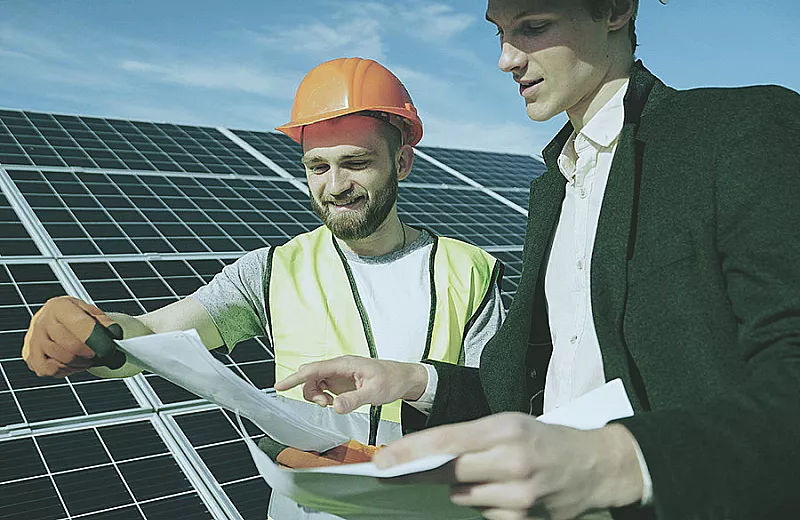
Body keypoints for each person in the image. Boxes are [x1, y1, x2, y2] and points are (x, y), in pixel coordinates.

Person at [276, 1, 800, 519]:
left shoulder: (739, 131)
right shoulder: (555, 188)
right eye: (500, 32)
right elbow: (535, 393)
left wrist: (617, 461)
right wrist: (410, 381)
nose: (507, 58)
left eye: (533, 27)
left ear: (616, 10)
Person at [21, 57, 505, 520]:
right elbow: (153, 334)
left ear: (401, 163)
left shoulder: (470, 270)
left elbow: (502, 406)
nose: (335, 185)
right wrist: (92, 334)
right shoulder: (272, 270)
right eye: (318, 166)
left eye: (355, 163)